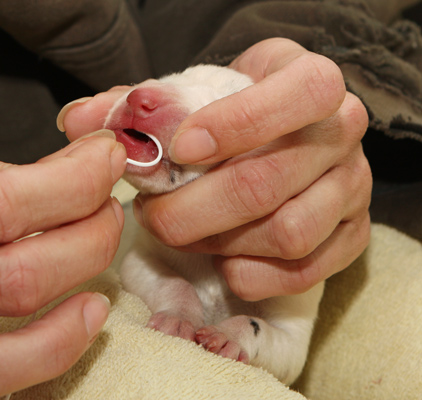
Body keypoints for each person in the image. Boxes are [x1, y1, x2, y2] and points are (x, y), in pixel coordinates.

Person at [0, 0, 420, 396]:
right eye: (162, 85)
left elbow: (290, 350)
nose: (144, 99)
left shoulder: (298, 223)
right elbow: (142, 261)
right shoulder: (138, 210)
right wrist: (176, 300)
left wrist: (248, 334)